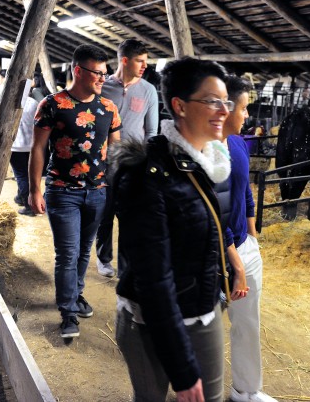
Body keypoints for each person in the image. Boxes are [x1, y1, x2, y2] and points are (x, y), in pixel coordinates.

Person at [112, 56, 232, 402]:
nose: (223, 109)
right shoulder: (148, 175)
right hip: (151, 323)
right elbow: (154, 280)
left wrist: (230, 267)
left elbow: (210, 232)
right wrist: (181, 369)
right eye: (212, 101)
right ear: (179, 105)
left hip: (204, 311)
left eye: (225, 101)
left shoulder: (208, 163)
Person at [28, 44, 121, 339]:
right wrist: (34, 190)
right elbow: (38, 148)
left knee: (83, 251)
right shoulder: (52, 104)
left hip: (97, 191)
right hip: (62, 190)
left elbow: (117, 150)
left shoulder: (108, 108)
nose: (102, 79)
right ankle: (68, 311)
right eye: (98, 73)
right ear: (78, 71)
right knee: (67, 253)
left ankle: (76, 295)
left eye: (105, 73)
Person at [223, 75, 278, 402]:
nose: (247, 116)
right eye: (243, 108)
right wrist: (236, 262)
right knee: (207, 327)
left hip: (244, 246)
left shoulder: (239, 143)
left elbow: (246, 193)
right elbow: (217, 211)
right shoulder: (209, 150)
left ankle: (246, 390)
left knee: (248, 323)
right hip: (220, 253)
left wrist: (253, 236)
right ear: (224, 107)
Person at [95, 39, 159, 278]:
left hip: (132, 164)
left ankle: (125, 264)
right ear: (124, 60)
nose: (144, 66)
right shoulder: (104, 87)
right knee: (105, 213)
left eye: (146, 61)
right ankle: (104, 259)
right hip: (103, 162)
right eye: (140, 61)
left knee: (130, 216)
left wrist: (148, 163)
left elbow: (151, 132)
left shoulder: (149, 90)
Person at [10, 93, 39, 215]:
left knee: (21, 175)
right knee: (28, 174)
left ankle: (29, 206)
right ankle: (21, 197)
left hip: (16, 145)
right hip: (31, 144)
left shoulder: (10, 102)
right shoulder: (33, 102)